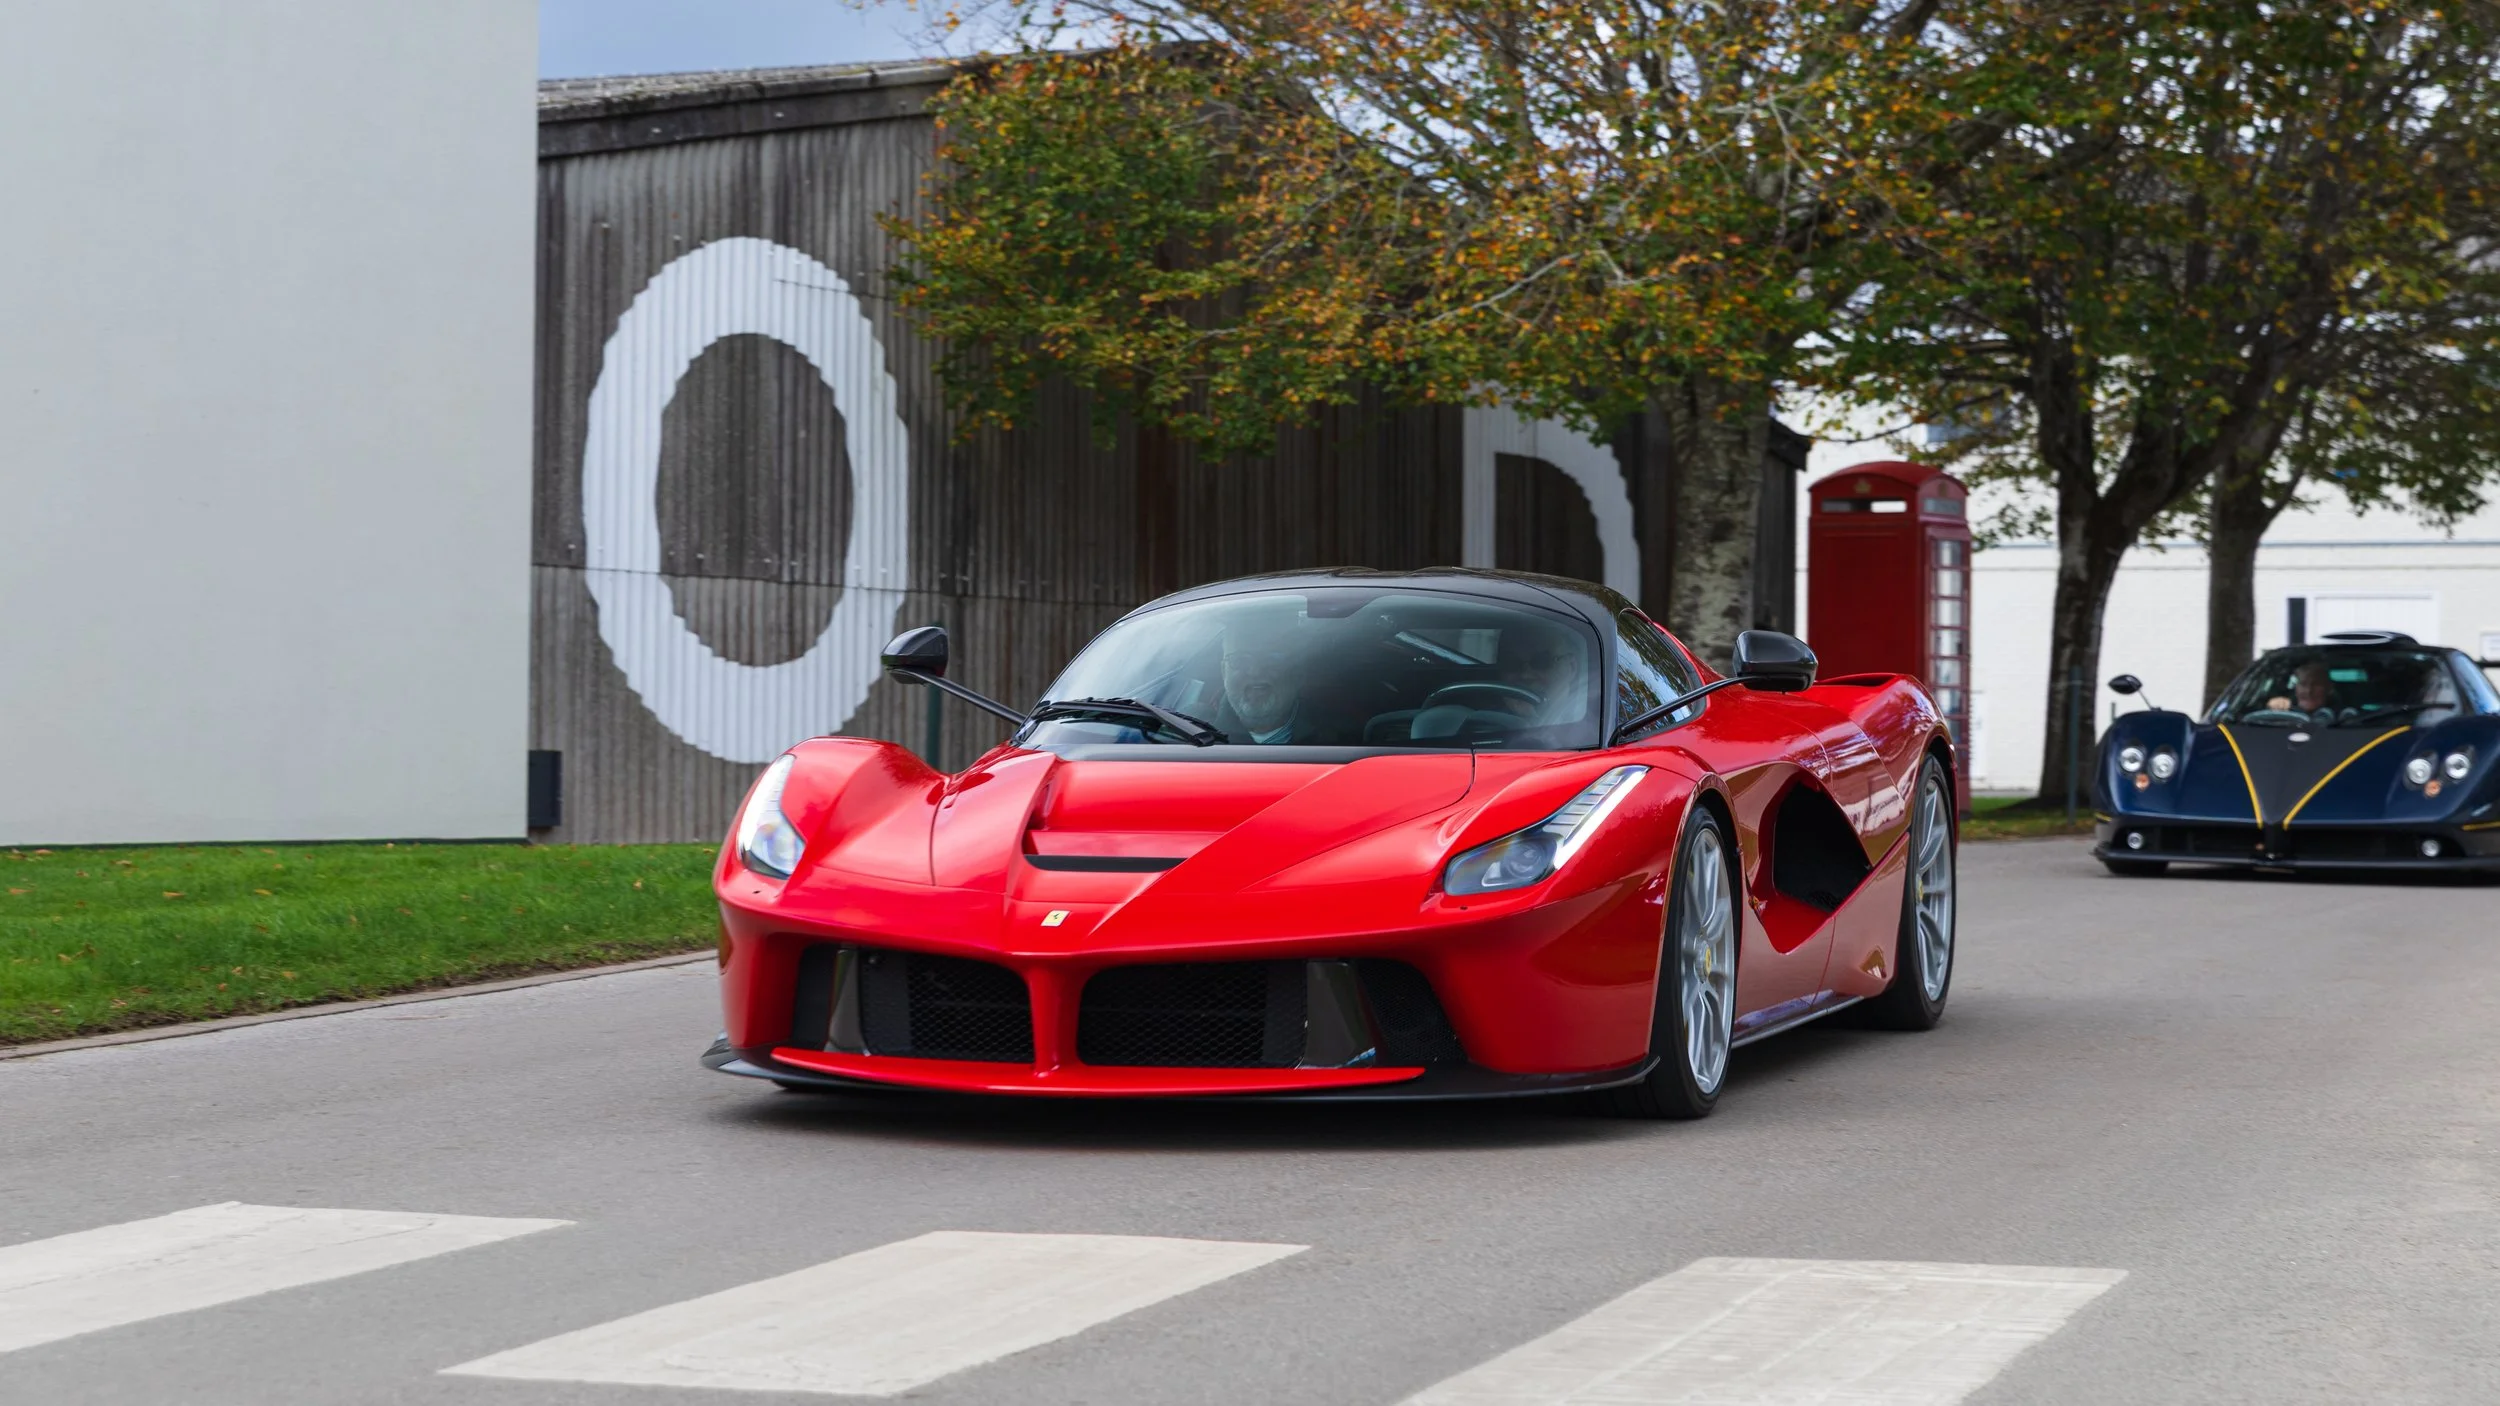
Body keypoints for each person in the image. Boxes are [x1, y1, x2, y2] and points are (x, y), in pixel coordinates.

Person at [1219, 616, 1309, 743]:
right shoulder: (1188, 731)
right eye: (1240, 660)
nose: (1255, 671)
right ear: (1224, 672)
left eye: (1272, 659)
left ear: (1298, 674)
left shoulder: (1340, 735)